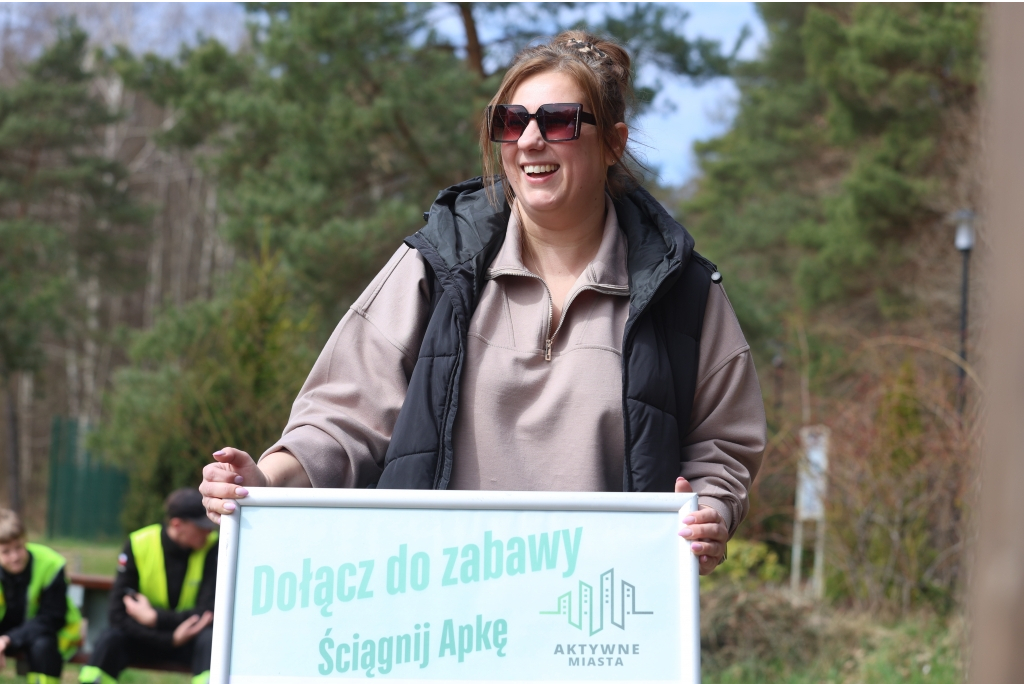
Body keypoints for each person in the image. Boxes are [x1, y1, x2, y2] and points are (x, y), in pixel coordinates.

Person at [201, 30, 767, 575]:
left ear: (614, 142)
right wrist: (263, 481)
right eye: (511, 121)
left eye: (559, 122)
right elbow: (344, 418)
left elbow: (723, 445)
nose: (529, 141)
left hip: (600, 626)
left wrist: (711, 512)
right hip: (440, 617)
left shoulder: (682, 288)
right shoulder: (436, 265)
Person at [79, 489, 217, 685]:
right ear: (177, 524)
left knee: (210, 640)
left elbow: (208, 613)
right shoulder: (139, 543)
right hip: (145, 638)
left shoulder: (213, 547)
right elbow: (117, 615)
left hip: (190, 639)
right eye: (201, 526)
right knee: (110, 639)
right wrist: (169, 639)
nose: (209, 531)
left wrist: (155, 618)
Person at [0, 509, 81, 684]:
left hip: (44, 630)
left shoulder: (51, 564)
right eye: (6, 552)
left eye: (18, 547)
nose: (14, 557)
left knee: (43, 647)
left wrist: (7, 640)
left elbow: (52, 617)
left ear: (25, 540)